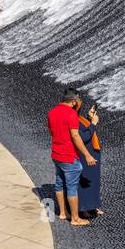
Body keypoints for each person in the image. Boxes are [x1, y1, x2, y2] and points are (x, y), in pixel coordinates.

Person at [48, 89, 97, 226]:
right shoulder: (71, 114)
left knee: (59, 183)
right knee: (72, 187)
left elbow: (51, 131)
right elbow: (75, 136)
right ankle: (75, 219)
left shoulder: (52, 111)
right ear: (74, 101)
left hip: (56, 154)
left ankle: (63, 213)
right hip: (68, 156)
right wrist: (87, 155)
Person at [76, 97, 104, 219]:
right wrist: (93, 123)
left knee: (94, 181)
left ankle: (93, 206)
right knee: (86, 182)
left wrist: (88, 118)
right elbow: (84, 137)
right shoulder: (74, 121)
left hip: (92, 154)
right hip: (86, 155)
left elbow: (84, 131)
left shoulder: (78, 118)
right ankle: (83, 209)